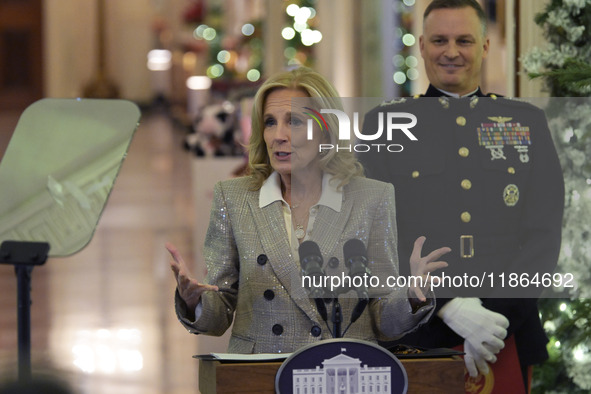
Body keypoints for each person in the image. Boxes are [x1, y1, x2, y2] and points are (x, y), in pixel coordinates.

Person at [167, 67, 450, 354]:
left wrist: (413, 297)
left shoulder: (372, 198)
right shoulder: (233, 198)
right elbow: (220, 311)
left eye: (295, 122)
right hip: (260, 374)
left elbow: (382, 318)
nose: (279, 135)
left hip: (342, 371)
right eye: (269, 122)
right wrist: (194, 301)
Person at [359, 0, 564, 392]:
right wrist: (447, 303)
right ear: (421, 45)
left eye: (464, 40)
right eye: (439, 40)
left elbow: (544, 231)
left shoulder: (524, 122)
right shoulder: (384, 125)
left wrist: (496, 318)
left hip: (508, 333)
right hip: (418, 335)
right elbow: (376, 232)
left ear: (485, 46)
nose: (451, 51)